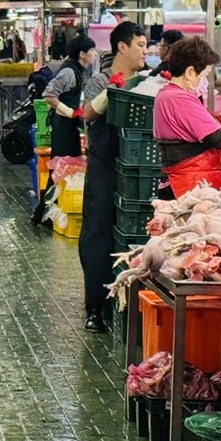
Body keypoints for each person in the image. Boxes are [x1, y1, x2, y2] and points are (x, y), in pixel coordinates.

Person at [77, 22, 149, 331]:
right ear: (123, 47)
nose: (145, 51)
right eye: (141, 45)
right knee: (98, 235)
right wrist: (113, 90)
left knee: (135, 236)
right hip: (105, 169)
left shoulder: (147, 83)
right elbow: (88, 113)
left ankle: (132, 305)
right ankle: (96, 305)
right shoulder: (99, 81)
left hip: (137, 172)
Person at [154, 37, 221, 197]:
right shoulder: (179, 99)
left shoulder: (166, 94)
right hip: (188, 185)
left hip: (183, 181)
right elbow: (219, 137)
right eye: (204, 75)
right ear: (190, 72)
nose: (204, 81)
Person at [42, 35, 95, 159]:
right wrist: (69, 112)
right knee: (61, 167)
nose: (95, 54)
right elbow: (48, 95)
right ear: (82, 54)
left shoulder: (78, 70)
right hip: (63, 127)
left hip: (70, 126)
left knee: (69, 167)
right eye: (92, 51)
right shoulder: (69, 72)